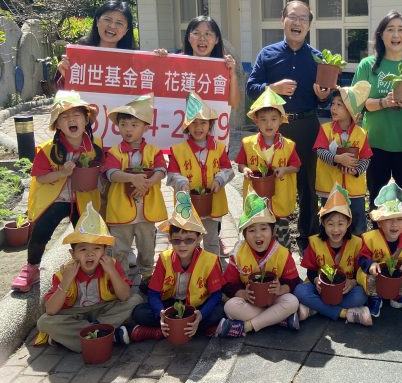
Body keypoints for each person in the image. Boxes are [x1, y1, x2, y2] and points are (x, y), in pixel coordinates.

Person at [246, 0, 330, 253]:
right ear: (282, 20)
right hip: (274, 128)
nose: (297, 22)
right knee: (268, 180)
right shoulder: (267, 54)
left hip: (307, 125)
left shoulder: (318, 58)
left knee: (308, 183)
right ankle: (266, 236)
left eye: (303, 18)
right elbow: (251, 88)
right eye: (292, 17)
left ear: (309, 25)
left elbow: (324, 97)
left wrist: (323, 95)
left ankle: (308, 238)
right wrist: (272, 88)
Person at [11, 91, 103, 292]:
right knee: (41, 233)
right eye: (64, 117)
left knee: (87, 236)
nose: (71, 119)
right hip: (56, 199)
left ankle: (92, 268)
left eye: (76, 115)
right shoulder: (47, 149)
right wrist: (62, 172)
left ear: (86, 120)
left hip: (83, 198)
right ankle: (31, 268)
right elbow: (41, 177)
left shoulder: (96, 146)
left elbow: (102, 169)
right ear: (57, 125)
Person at [35, 202, 141, 351]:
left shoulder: (111, 264)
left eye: (97, 249)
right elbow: (51, 310)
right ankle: (109, 335)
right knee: (44, 322)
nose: (90, 254)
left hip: (103, 309)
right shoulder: (65, 272)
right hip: (75, 313)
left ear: (104, 252)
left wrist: (112, 272)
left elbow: (124, 296)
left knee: (135, 300)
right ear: (73, 254)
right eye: (83, 249)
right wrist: (65, 281)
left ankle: (83, 336)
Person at [352, 11, 402, 214]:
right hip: (375, 143)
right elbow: (357, 103)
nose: (396, 35)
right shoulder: (368, 65)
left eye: (401, 30)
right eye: (390, 29)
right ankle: (377, 240)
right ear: (381, 35)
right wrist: (383, 102)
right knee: (377, 196)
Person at [130, 193, 224, 342]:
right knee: (139, 312)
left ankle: (171, 330)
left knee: (218, 311)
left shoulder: (210, 260)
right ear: (169, 239)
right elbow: (153, 293)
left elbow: (216, 295)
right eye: (177, 240)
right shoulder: (164, 258)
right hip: (172, 305)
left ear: (199, 238)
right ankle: (186, 329)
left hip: (197, 306)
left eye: (189, 240)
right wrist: (161, 313)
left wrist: (201, 315)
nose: (182, 245)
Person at [103, 94, 167, 292]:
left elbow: (161, 170)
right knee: (120, 247)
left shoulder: (154, 151)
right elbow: (111, 173)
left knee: (147, 245)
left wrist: (146, 183)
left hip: (146, 211)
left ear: (146, 127)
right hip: (121, 210)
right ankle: (120, 277)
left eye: (134, 124)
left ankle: (147, 274)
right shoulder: (114, 152)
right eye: (123, 124)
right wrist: (133, 178)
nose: (128, 129)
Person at [217, 194, 301, 337]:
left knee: (292, 301)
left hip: (275, 299)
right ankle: (279, 318)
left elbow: (293, 280)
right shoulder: (238, 254)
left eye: (263, 228)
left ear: (273, 231)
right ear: (244, 234)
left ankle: (247, 326)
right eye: (251, 230)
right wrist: (242, 294)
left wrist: (281, 289)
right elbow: (229, 283)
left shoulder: (281, 252)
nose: (258, 235)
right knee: (230, 306)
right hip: (251, 302)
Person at [167, 92, 234, 255]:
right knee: (189, 241)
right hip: (188, 205)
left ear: (210, 124)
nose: (198, 128)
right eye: (194, 123)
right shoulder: (178, 150)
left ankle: (213, 271)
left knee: (211, 241)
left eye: (203, 123)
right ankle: (193, 270)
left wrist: (219, 179)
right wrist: (182, 182)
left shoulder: (219, 148)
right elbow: (171, 174)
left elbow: (229, 170)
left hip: (213, 203)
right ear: (187, 126)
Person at [295, 184, 371, 326]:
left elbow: (359, 272)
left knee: (361, 295)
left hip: (344, 290)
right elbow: (311, 271)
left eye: (340, 223)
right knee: (300, 291)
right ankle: (345, 313)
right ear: (323, 223)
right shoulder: (315, 242)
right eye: (330, 224)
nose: (336, 230)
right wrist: (316, 280)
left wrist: (353, 282)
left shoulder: (357, 243)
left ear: (348, 223)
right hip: (321, 290)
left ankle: (316, 309)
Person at [235, 88, 301, 246]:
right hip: (256, 202)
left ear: (280, 121)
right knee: (257, 239)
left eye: (273, 119)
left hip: (279, 202)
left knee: (281, 239)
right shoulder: (248, 143)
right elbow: (240, 164)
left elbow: (296, 166)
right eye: (263, 119)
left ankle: (282, 267)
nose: (268, 123)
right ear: (256, 121)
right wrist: (245, 169)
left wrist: (285, 169)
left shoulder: (288, 145)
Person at [357, 182, 402, 317]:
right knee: (368, 276)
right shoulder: (370, 238)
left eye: (399, 219)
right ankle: (375, 297)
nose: (394, 224)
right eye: (389, 219)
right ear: (380, 222)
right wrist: (370, 264)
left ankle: (399, 297)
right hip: (377, 276)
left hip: (398, 276)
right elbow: (361, 257)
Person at [313, 81, 373, 237]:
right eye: (333, 104)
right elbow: (320, 152)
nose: (333, 107)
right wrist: (337, 158)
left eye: (339, 104)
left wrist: (356, 170)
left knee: (358, 226)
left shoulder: (361, 133)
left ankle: (359, 256)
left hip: (355, 191)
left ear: (351, 110)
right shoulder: (325, 130)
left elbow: (366, 158)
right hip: (329, 189)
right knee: (329, 224)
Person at [154, 15, 241, 109]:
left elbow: (234, 104)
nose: (202, 39)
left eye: (207, 34)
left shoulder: (225, 66)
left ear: (217, 39)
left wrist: (233, 75)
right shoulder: (175, 63)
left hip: (210, 123)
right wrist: (161, 62)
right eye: (196, 33)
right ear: (188, 37)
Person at [55, 0, 136, 84]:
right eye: (108, 20)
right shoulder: (77, 55)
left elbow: (143, 93)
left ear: (126, 30)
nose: (112, 26)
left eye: (119, 23)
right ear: (97, 21)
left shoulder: (134, 61)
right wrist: (65, 75)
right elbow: (61, 92)